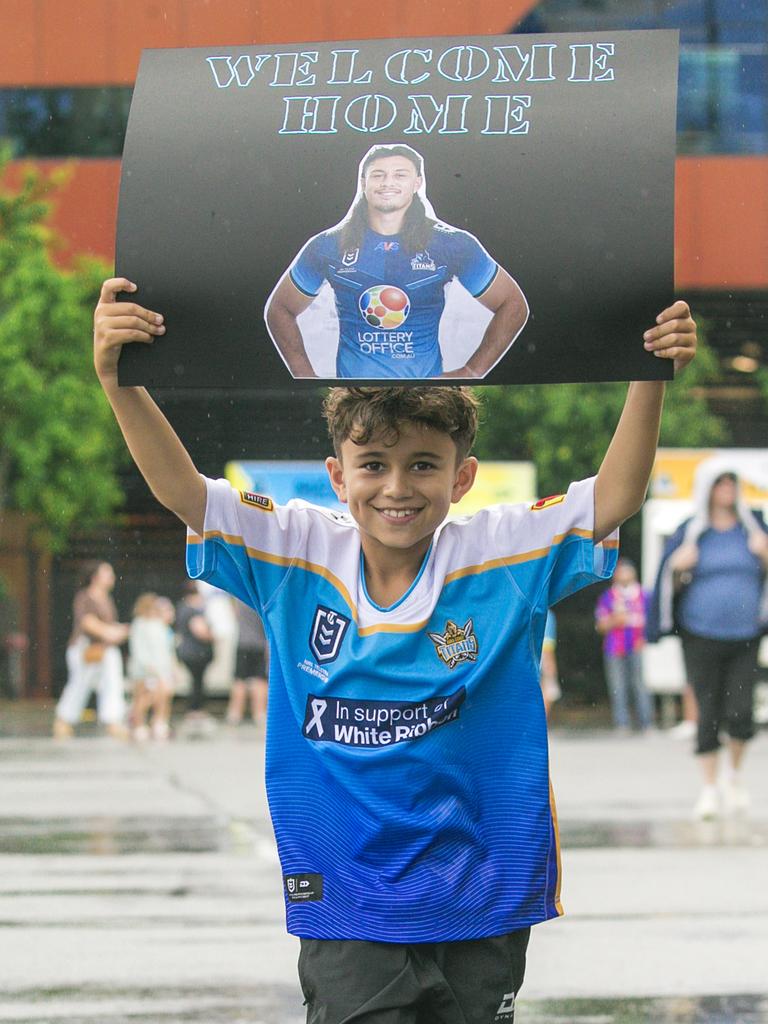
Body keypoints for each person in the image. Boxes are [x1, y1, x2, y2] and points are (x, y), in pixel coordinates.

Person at [93, 276, 695, 1023]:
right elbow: (187, 492)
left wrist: (648, 371)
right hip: (348, 902)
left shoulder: (501, 553)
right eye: (373, 464)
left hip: (483, 895)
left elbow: (614, 496)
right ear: (337, 476)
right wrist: (120, 385)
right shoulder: (295, 550)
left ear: (461, 476)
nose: (395, 488)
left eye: (422, 465)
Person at [265, 143, 529, 380]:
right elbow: (280, 309)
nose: (387, 183)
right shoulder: (327, 245)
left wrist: (472, 371)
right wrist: (304, 377)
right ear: (363, 183)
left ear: (417, 182)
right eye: (378, 175)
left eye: (400, 174)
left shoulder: (452, 244)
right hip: (356, 402)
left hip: (425, 402)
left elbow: (513, 304)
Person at [648, 463, 768, 819]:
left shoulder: (755, 527)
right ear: (708, 489)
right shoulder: (691, 532)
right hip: (700, 634)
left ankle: (734, 776)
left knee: (742, 711)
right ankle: (710, 788)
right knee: (708, 711)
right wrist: (678, 567)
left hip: (746, 634)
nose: (728, 489)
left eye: (733, 482)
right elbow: (669, 578)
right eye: (721, 483)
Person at [53, 561, 129, 740]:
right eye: (107, 573)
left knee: (112, 683)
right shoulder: (85, 597)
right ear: (95, 577)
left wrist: (118, 630)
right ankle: (64, 720)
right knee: (80, 683)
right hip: (86, 648)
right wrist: (110, 632)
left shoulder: (106, 598)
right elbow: (87, 622)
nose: (112, 577)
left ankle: (113, 721)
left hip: (106, 649)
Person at [595, 557, 653, 733]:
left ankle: (646, 723)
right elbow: (600, 625)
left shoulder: (644, 595)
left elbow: (652, 621)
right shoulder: (608, 597)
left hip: (638, 645)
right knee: (617, 686)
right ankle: (622, 723)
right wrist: (614, 620)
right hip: (614, 646)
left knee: (640, 684)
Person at [127, 592, 175, 741]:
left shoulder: (159, 625)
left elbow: (167, 649)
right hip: (144, 669)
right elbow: (139, 649)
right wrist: (149, 666)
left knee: (163, 694)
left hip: (160, 668)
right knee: (144, 696)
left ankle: (159, 722)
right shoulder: (140, 624)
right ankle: (138, 723)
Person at [174, 581, 215, 736]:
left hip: (188, 652)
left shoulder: (182, 608)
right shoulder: (192, 611)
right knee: (197, 682)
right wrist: (213, 636)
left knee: (195, 681)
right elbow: (200, 631)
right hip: (196, 653)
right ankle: (195, 710)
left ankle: (195, 709)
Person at [227, 600, 269, 726]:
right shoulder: (259, 602)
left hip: (242, 643)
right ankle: (260, 714)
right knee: (260, 680)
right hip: (259, 644)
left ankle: (234, 714)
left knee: (239, 679)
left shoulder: (239, 600)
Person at [539, 610, 561, 718]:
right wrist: (551, 674)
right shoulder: (547, 615)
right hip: (541, 664)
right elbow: (547, 649)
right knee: (547, 693)